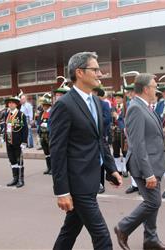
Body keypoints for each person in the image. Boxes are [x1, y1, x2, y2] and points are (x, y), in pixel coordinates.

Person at [50, 52, 122, 250]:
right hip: (77, 183)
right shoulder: (64, 105)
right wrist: (62, 191)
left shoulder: (97, 103)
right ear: (79, 72)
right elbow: (57, 151)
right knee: (103, 238)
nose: (100, 74)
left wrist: (111, 168)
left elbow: (100, 140)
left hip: (92, 179)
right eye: (95, 69)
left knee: (70, 231)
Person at [114, 73, 165, 250]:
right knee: (153, 202)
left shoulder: (146, 106)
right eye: (155, 86)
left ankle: (151, 239)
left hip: (154, 162)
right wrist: (148, 174)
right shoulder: (135, 108)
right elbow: (137, 144)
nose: (157, 90)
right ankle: (123, 227)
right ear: (146, 89)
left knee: (152, 203)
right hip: (145, 165)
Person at [3, 93, 28, 188]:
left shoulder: (21, 115)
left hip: (18, 142)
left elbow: (25, 129)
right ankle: (15, 178)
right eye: (9, 103)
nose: (10, 105)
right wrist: (3, 137)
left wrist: (24, 141)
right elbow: (6, 127)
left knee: (19, 161)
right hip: (9, 141)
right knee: (12, 160)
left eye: (13, 103)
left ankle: (21, 180)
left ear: (16, 104)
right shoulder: (7, 114)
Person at [93, 87, 113, 193]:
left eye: (93, 92)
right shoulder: (87, 104)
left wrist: (95, 122)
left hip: (101, 135)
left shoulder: (104, 104)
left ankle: (101, 183)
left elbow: (107, 119)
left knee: (101, 159)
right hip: (89, 137)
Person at [111, 91, 128, 178]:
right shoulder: (113, 108)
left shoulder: (125, 108)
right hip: (115, 132)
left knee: (124, 151)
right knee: (116, 151)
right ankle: (118, 169)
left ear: (122, 99)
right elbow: (111, 120)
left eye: (119, 98)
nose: (117, 100)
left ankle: (125, 168)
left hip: (123, 132)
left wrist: (117, 117)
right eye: (116, 98)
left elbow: (125, 120)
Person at [37, 95, 52, 175]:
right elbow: (39, 123)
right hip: (43, 135)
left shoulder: (52, 112)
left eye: (44, 105)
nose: (42, 106)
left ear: (47, 105)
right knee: (46, 153)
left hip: (50, 135)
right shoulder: (42, 113)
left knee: (51, 152)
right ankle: (48, 167)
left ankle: (53, 168)